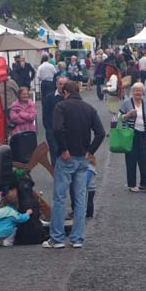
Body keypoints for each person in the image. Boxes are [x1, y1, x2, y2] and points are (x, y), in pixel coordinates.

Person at [43, 81, 105, 248]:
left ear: (65, 93)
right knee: (79, 199)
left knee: (60, 198)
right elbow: (100, 133)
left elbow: (56, 129)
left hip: (66, 157)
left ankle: (57, 238)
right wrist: (90, 151)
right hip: (82, 157)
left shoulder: (61, 107)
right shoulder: (89, 108)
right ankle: (77, 238)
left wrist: (63, 149)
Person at [120, 82, 146, 192]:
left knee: (145, 158)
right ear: (132, 92)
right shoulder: (126, 102)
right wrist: (128, 114)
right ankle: (132, 184)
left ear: (143, 92)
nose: (138, 92)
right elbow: (117, 117)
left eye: (140, 90)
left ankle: (145, 184)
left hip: (143, 133)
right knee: (131, 159)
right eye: (136, 90)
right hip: (130, 134)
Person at [42, 76, 68, 167]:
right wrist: (48, 128)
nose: (62, 86)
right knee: (54, 151)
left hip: (66, 130)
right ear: (56, 84)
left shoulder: (69, 97)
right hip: (52, 130)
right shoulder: (49, 97)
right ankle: (56, 174)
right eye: (60, 84)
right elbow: (45, 114)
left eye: (64, 84)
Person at [103, 63, 122, 128]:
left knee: (114, 113)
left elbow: (114, 88)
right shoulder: (113, 76)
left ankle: (114, 129)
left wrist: (106, 88)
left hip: (113, 96)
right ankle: (114, 129)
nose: (106, 70)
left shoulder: (113, 77)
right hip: (113, 96)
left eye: (107, 69)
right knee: (113, 113)